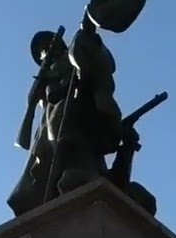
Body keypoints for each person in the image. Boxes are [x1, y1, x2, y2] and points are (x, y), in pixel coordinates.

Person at [7, 19, 123, 216]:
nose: (46, 51)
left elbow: (96, 63)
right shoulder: (44, 80)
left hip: (74, 114)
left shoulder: (72, 58)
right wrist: (33, 102)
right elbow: (37, 110)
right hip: (47, 130)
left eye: (48, 45)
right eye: (41, 51)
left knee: (70, 147)